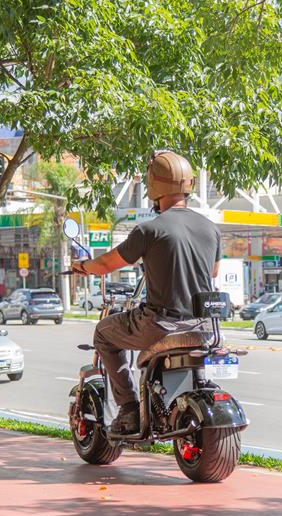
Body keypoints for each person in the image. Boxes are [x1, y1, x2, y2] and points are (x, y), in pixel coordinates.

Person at [70, 151, 220, 435]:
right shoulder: (210, 228)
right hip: (204, 327)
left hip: (160, 325)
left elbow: (105, 264)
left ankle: (128, 409)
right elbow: (212, 272)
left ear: (154, 186)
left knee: (104, 332)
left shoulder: (149, 230)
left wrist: (83, 267)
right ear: (187, 184)